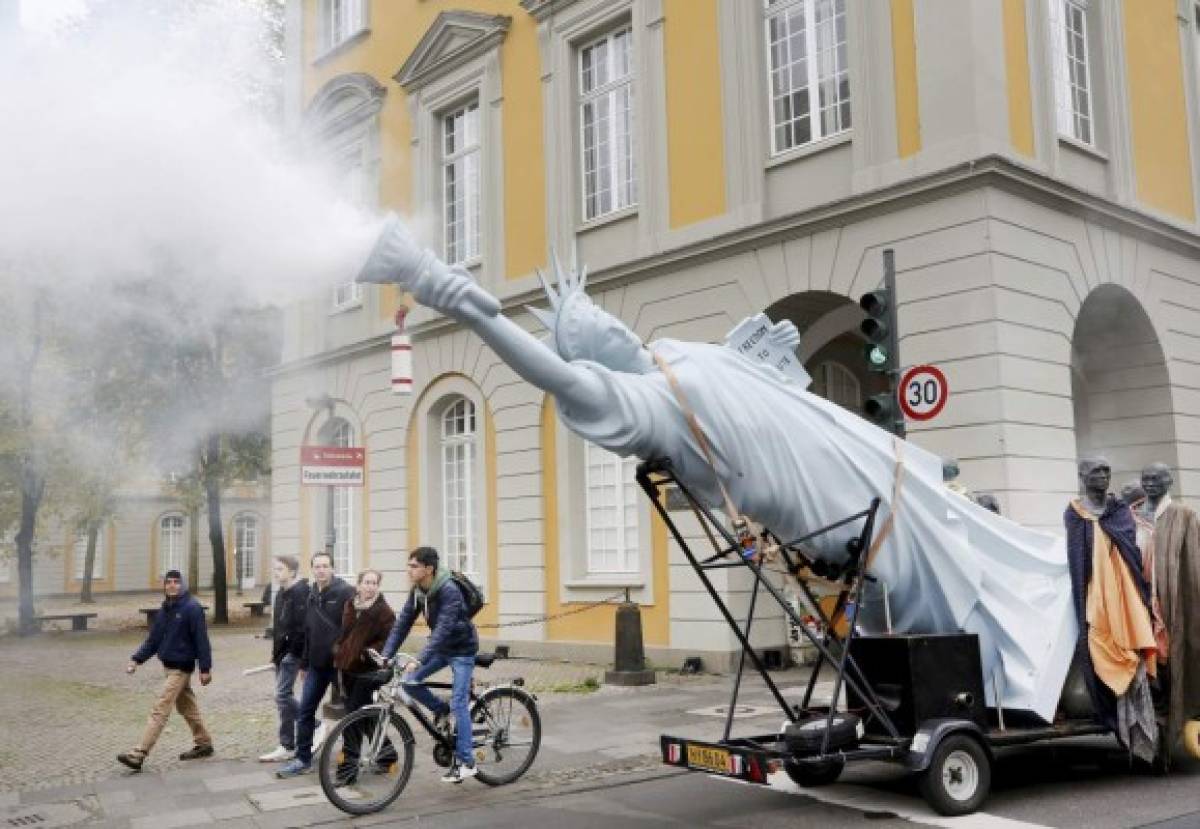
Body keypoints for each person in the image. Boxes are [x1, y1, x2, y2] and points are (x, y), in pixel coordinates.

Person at [358, 233, 1077, 722]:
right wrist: (444, 287)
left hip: (855, 454)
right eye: (592, 328)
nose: (611, 323)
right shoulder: (640, 404)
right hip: (832, 498)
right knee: (932, 568)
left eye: (600, 311)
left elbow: (768, 378)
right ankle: (1015, 660)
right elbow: (537, 363)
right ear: (591, 364)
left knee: (956, 526)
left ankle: (1038, 610)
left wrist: (765, 353)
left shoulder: (671, 353)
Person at [1062, 457, 1158, 761]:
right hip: (1094, 598)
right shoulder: (1075, 514)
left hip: (1126, 596)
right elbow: (1077, 559)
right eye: (1095, 472)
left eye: (1106, 471)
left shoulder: (1119, 512)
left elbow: (1130, 552)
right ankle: (1114, 716)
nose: (1103, 476)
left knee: (1132, 651)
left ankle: (1141, 730)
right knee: (1097, 646)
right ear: (1081, 476)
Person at [381, 547, 480, 783]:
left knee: (459, 702)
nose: (409, 570)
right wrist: (386, 654)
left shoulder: (449, 590)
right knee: (408, 681)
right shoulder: (418, 592)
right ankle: (441, 710)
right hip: (442, 648)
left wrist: (420, 659)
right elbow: (402, 623)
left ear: (428, 569)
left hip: (462, 650)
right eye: (409, 565)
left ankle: (467, 761)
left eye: (414, 566)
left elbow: (443, 629)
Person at [118, 570, 213, 771]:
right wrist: (136, 659)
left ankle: (139, 754)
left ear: (183, 585)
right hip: (169, 667)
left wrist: (205, 668)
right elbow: (153, 640)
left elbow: (201, 640)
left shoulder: (192, 608)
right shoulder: (166, 608)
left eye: (176, 582)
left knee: (160, 708)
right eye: (168, 582)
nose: (171, 585)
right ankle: (204, 743)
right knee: (187, 707)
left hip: (181, 668)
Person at [1139, 463, 1200, 755]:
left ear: (1169, 481)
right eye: (1146, 478)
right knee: (1146, 663)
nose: (1150, 483)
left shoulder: (1183, 516)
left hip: (1170, 604)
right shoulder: (1135, 515)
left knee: (1170, 661)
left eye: (1156, 478)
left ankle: (1169, 730)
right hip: (1139, 603)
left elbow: (1193, 568)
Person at [276, 551, 355, 778]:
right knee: (305, 712)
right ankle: (303, 759)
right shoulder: (312, 593)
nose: (321, 570)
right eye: (317, 566)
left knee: (353, 711)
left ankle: (381, 754)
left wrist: (346, 657)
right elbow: (308, 630)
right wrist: (304, 663)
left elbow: (352, 629)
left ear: (332, 568)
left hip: (340, 666)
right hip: (317, 666)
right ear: (312, 569)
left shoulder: (345, 592)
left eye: (325, 566)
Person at [332, 569, 396, 780]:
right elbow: (344, 634)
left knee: (351, 718)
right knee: (365, 716)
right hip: (346, 668)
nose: (370, 586)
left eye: (374, 583)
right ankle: (388, 756)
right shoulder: (350, 605)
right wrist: (339, 650)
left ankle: (347, 771)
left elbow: (388, 643)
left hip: (367, 672)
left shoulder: (384, 611)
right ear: (358, 585)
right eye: (367, 582)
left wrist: (363, 654)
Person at [259, 555, 309, 763]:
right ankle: (286, 744)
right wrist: (275, 653)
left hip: (292, 654)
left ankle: (313, 725)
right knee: (283, 701)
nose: (276, 572)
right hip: (281, 654)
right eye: (276, 569)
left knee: (281, 696)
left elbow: (302, 629)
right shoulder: (280, 593)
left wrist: (293, 654)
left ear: (292, 572)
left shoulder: (300, 593)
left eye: (280, 569)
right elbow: (280, 627)